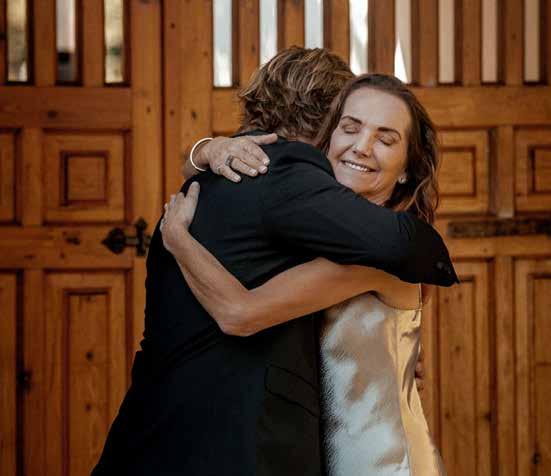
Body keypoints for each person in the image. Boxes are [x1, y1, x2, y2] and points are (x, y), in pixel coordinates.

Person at [92, 48, 457, 476]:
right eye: (350, 126)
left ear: (406, 169)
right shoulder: (313, 217)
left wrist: (179, 238)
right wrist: (204, 150)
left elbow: (242, 312)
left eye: (386, 138)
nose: (360, 146)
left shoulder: (362, 249)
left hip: (374, 455)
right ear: (327, 127)